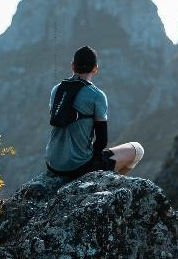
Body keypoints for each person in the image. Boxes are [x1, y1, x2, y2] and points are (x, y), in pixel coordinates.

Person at [45, 45, 144, 179]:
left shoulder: (56, 90)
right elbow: (102, 140)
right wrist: (95, 162)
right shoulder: (97, 95)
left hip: (52, 163)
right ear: (95, 68)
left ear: (72, 66)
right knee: (137, 150)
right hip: (78, 167)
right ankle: (109, 184)